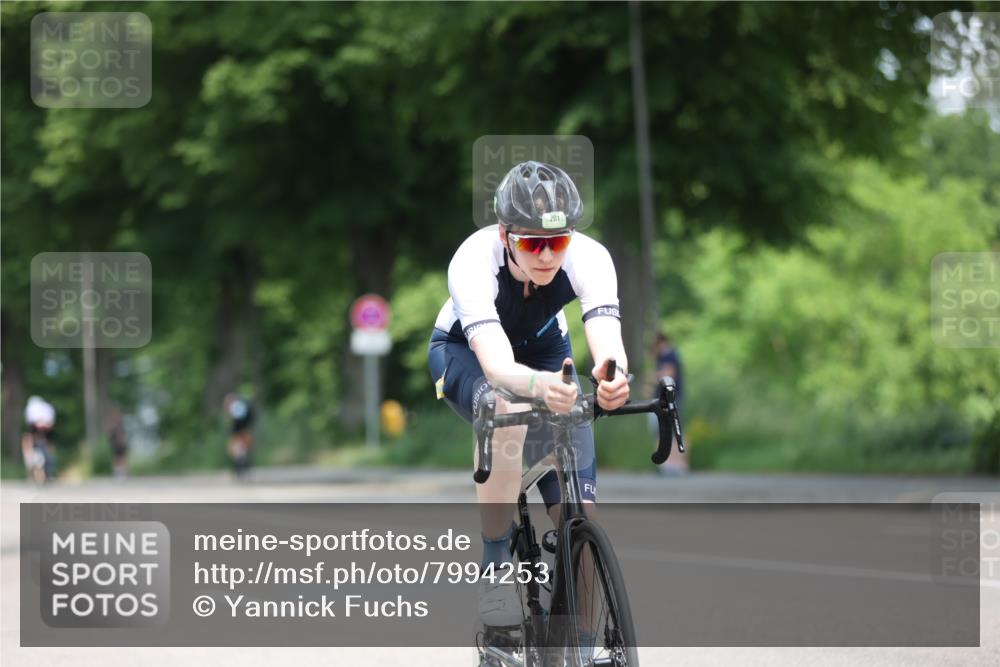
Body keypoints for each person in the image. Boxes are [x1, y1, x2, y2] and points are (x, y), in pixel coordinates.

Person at [427, 161, 630, 629]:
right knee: (507, 409)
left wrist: (611, 374)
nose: (545, 256)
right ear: (504, 235)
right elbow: (496, 367)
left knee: (580, 514)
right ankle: (496, 564)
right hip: (466, 352)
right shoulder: (473, 261)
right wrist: (540, 389)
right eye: (531, 242)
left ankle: (577, 640)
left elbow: (604, 333)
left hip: (542, 346)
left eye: (556, 242)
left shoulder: (590, 256)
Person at [652, 332, 688, 475]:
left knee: (674, 431)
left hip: (671, 399)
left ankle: (677, 465)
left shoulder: (669, 355)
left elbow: (668, 374)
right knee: (667, 432)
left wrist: (651, 376)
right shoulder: (665, 356)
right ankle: (669, 465)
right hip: (666, 399)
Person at [22, 396, 56, 484]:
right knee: (48, 444)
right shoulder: (47, 407)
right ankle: (50, 465)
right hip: (47, 427)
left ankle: (29, 461)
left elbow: (30, 422)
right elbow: (51, 420)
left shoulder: (31, 407)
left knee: (28, 439)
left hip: (36, 427)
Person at [224, 394, 254, 477]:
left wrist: (232, 430)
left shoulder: (235, 407)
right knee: (243, 451)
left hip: (239, 432)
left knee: (236, 452)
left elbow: (236, 422)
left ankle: (239, 470)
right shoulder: (242, 406)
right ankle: (244, 469)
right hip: (245, 430)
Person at [105, 404, 129, 479]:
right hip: (115, 443)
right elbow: (109, 434)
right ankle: (117, 473)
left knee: (122, 458)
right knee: (116, 458)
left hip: (121, 443)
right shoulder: (113, 423)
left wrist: (123, 439)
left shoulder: (120, 423)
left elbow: (124, 433)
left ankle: (123, 473)